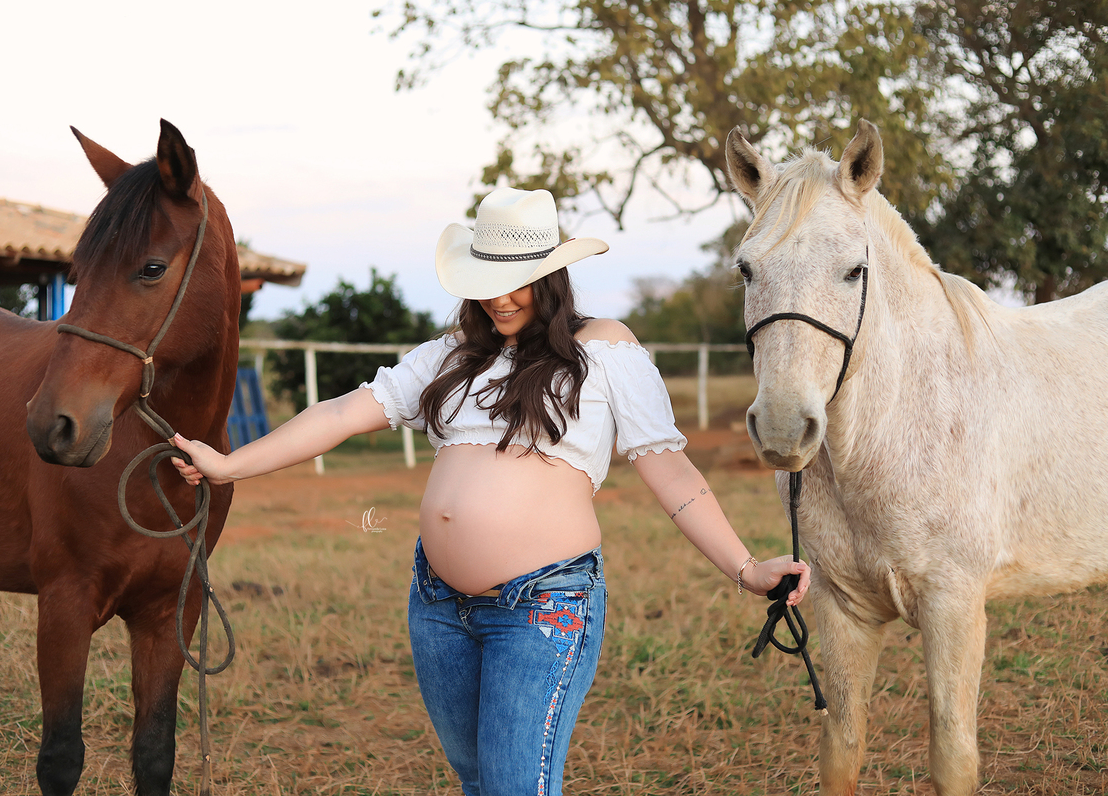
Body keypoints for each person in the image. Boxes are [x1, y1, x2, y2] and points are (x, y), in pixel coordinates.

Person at [171, 187, 810, 796]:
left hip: (544, 605)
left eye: (517, 281)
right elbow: (341, 415)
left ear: (551, 278)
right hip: (438, 604)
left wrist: (748, 568)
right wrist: (230, 466)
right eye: (486, 283)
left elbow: (672, 473)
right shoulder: (453, 354)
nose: (500, 299)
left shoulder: (605, 350)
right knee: (481, 783)